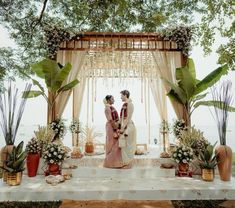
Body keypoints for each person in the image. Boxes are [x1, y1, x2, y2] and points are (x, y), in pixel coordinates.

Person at [103, 95, 123, 168]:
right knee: (111, 144)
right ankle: (109, 162)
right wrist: (115, 128)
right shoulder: (107, 108)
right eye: (112, 99)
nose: (114, 100)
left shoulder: (111, 107)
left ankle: (115, 162)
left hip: (114, 125)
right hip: (111, 126)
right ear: (108, 100)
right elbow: (110, 120)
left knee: (114, 143)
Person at [118, 90, 137, 168]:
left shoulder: (130, 104)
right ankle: (125, 163)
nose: (120, 97)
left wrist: (123, 128)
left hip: (129, 127)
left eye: (122, 95)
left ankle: (129, 164)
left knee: (128, 146)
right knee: (124, 146)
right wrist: (119, 126)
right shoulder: (124, 105)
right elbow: (121, 118)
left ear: (125, 95)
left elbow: (128, 118)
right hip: (124, 126)